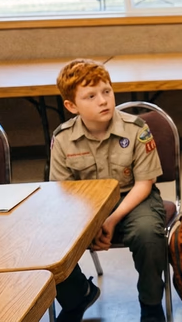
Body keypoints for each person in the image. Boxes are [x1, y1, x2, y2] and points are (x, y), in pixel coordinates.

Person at [49, 59, 167, 322]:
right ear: (71, 106)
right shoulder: (63, 137)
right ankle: (78, 295)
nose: (103, 100)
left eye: (106, 91)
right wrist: (89, 225)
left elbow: (144, 184)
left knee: (148, 234)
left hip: (133, 199)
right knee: (47, 239)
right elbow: (62, 193)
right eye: (90, 96)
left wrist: (110, 220)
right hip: (84, 205)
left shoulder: (136, 129)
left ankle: (150, 303)